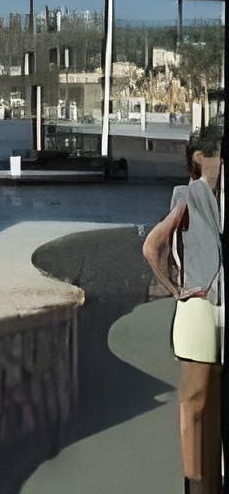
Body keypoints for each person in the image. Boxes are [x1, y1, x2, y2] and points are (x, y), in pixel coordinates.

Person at [142, 126, 223, 494]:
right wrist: (176, 290)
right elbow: (151, 246)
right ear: (200, 159)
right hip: (198, 311)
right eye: (218, 155)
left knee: (212, 403)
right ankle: (196, 483)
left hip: (217, 310)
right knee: (195, 401)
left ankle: (210, 480)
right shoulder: (188, 195)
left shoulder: (217, 200)